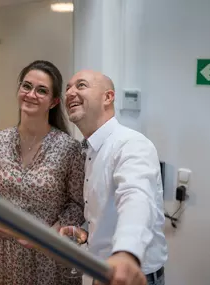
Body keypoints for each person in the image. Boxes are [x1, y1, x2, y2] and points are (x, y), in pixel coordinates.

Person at [0, 60, 85, 285]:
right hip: (6, 254)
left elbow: (78, 204)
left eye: (41, 90)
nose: (31, 94)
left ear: (54, 102)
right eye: (26, 86)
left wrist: (50, 234)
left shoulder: (70, 149)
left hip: (50, 255)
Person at [61, 70, 168, 285]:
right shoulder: (91, 149)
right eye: (67, 88)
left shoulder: (131, 144)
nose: (70, 93)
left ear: (108, 97)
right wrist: (88, 233)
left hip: (131, 277)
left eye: (81, 85)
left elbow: (137, 198)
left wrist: (126, 253)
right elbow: (107, 208)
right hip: (99, 272)